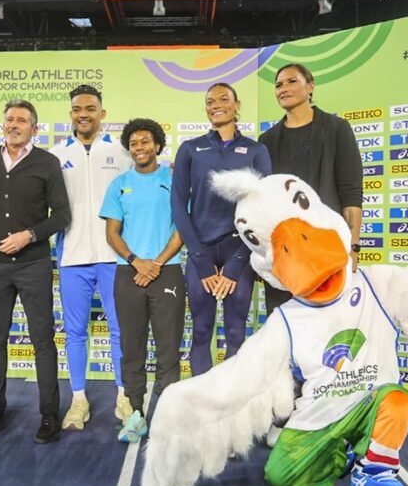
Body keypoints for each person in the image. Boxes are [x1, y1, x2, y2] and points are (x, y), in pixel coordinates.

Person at [0, 98, 71, 444]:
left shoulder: (47, 162)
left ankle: (48, 414)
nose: (13, 124)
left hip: (34, 265)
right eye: (9, 119)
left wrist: (29, 235)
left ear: (34, 128)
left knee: (42, 340)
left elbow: (61, 216)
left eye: (21, 120)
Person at [171, 82, 271, 377]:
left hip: (238, 252)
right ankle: (203, 406)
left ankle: (232, 407)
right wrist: (201, 262)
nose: (216, 104)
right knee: (201, 331)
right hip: (201, 251)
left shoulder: (256, 150)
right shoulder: (191, 149)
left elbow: (263, 208)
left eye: (224, 99)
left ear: (237, 105)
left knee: (236, 332)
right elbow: (178, 204)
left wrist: (236, 264)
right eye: (210, 100)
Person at [50, 84, 133, 431]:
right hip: (72, 256)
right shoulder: (54, 155)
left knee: (120, 330)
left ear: (102, 113)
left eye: (90, 108)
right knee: (74, 333)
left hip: (114, 257)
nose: (83, 114)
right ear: (70, 114)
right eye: (77, 109)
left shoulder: (122, 151)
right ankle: (78, 399)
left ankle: (124, 396)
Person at [102, 118, 185, 444]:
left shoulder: (175, 180)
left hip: (168, 270)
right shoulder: (119, 184)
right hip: (129, 273)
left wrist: (157, 263)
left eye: (146, 142)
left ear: (158, 146)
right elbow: (112, 232)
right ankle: (135, 414)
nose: (140, 148)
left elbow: (181, 230)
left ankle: (166, 418)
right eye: (134, 143)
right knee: (131, 348)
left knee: (168, 349)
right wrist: (138, 262)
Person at [258, 63, 363, 316]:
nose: (283, 88)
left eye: (292, 81)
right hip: (284, 257)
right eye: (279, 84)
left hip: (328, 250)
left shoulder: (337, 129)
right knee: (284, 331)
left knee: (328, 330)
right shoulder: (267, 141)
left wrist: (353, 247)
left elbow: (351, 194)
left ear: (310, 87)